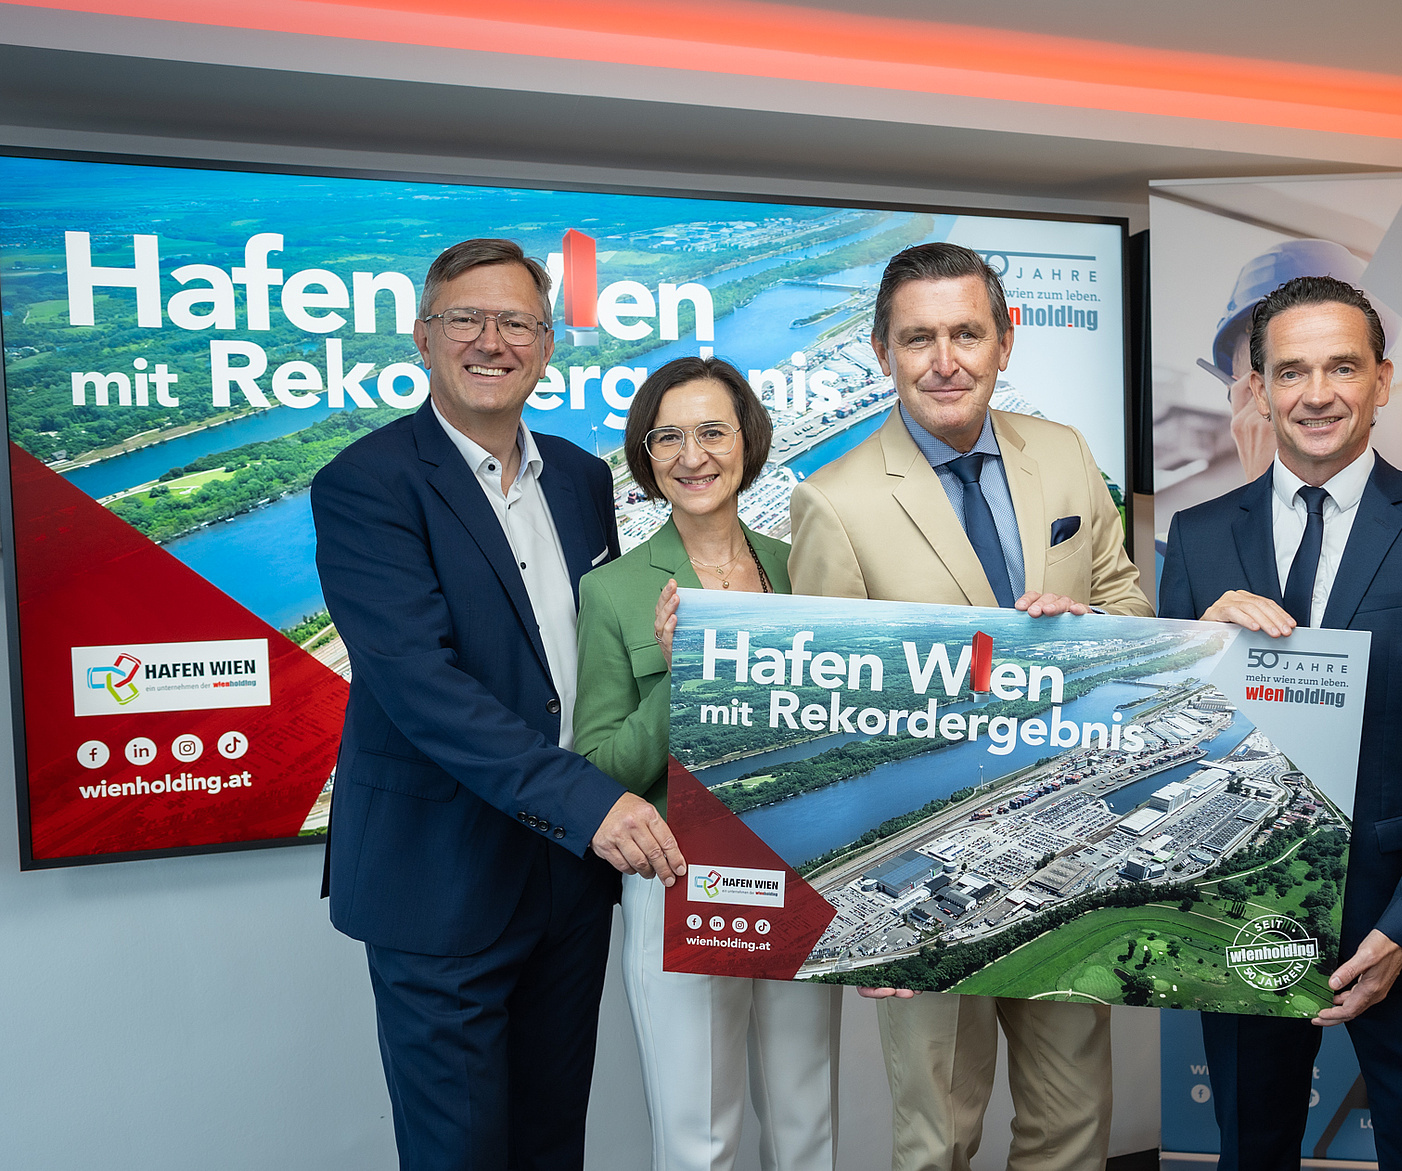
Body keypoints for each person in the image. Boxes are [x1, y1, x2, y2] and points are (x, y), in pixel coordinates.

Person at [313, 238, 685, 1171]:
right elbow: (420, 686)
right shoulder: (366, 484)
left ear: (547, 343)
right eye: (465, 319)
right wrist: (590, 801)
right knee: (462, 1151)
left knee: (553, 1139)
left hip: (569, 876)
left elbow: (591, 653)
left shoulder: (582, 478)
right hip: (440, 876)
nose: (492, 340)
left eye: (517, 321)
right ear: (422, 337)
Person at [788, 241, 1149, 1171]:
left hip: (1069, 838)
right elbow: (828, 713)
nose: (944, 360)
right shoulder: (833, 500)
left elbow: (1126, 602)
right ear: (883, 352)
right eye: (918, 338)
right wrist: (860, 913)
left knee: (1073, 1120)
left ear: (1004, 341)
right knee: (938, 1136)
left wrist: (1092, 632)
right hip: (923, 870)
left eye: (965, 333)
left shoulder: (1064, 453)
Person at [1158, 274, 1402, 1171]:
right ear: (1259, 389)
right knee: (1251, 1152)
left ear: (1382, 380)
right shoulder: (1197, 538)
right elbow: (1169, 737)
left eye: (1342, 367)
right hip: (1245, 913)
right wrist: (1196, 647)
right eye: (1291, 371)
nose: (1316, 393)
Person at [573, 356, 843, 1171]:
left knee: (807, 1118)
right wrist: (682, 673)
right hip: (679, 879)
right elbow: (600, 768)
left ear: (747, 441)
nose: (692, 456)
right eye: (668, 437)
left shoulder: (802, 569)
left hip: (796, 863)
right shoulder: (615, 590)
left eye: (712, 432)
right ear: (647, 454)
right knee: (701, 1138)